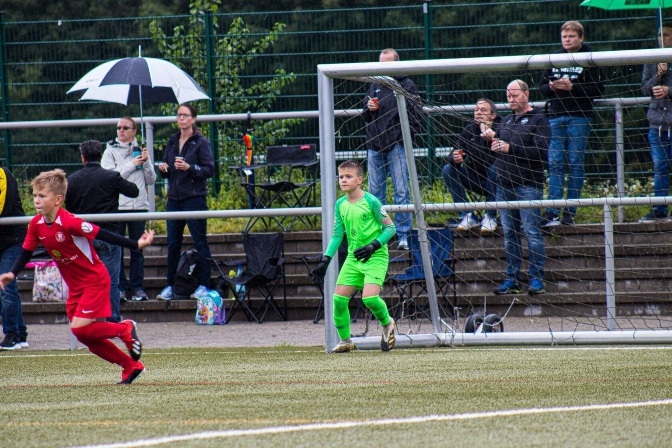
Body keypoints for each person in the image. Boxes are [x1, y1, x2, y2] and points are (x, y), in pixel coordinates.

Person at [0, 169, 154, 384]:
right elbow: (26, 251)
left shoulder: (70, 222)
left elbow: (103, 234)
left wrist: (135, 244)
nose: (36, 200)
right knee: (84, 336)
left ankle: (125, 328)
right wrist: (12, 273)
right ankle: (131, 366)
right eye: (35, 195)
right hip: (76, 287)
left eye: (42, 196)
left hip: (94, 281)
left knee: (79, 328)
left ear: (58, 199)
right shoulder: (36, 224)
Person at [310, 160, 397, 353]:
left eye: (348, 176)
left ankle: (387, 323)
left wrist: (373, 245)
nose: (343, 180)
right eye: (341, 176)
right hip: (353, 258)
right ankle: (345, 340)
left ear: (359, 180)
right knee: (339, 300)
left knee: (370, 299)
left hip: (375, 257)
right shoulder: (340, 204)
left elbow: (390, 228)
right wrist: (325, 260)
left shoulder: (372, 202)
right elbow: (337, 235)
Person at [485, 80, 550, 295]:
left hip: (528, 185)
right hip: (504, 186)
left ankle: (536, 278)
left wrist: (510, 148)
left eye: (515, 95)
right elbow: (499, 150)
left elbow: (541, 152)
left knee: (532, 232)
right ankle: (512, 278)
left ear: (526, 94)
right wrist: (492, 139)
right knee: (510, 235)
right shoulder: (506, 121)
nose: (511, 100)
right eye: (508, 96)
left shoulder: (539, 120)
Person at [539, 20, 605, 226]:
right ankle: (552, 211)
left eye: (571, 36)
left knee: (576, 163)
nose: (567, 40)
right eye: (564, 37)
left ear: (581, 38)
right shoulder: (554, 57)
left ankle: (570, 212)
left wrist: (572, 87)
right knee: (555, 163)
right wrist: (552, 87)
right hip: (555, 116)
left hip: (579, 116)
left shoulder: (590, 58)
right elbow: (541, 88)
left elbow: (598, 89)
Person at [65, 140, 139, 322]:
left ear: (83, 158)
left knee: (84, 282)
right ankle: (112, 320)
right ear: (100, 156)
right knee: (111, 282)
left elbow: (69, 206)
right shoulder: (111, 177)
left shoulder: (72, 180)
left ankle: (87, 319)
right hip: (109, 235)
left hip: (83, 237)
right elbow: (134, 191)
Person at [362, 48, 422, 250]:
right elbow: (364, 115)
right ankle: (380, 235)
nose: (383, 67)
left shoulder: (407, 85)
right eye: (381, 64)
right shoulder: (374, 84)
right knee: (375, 193)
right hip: (374, 146)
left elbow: (417, 114)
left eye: (387, 63)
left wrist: (404, 138)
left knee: (401, 191)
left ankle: (404, 234)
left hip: (397, 145)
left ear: (397, 64)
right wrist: (368, 108)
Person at [156, 103, 215, 300]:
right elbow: (167, 169)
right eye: (179, 115)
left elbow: (209, 170)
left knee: (200, 241)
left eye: (185, 115)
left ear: (193, 119)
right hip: (174, 199)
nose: (181, 118)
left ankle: (204, 285)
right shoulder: (172, 141)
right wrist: (163, 169)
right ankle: (170, 285)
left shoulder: (201, 142)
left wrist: (190, 168)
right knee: (173, 244)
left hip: (194, 198)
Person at [101, 117, 156, 301]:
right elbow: (109, 177)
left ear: (134, 131)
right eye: (119, 127)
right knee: (117, 249)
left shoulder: (140, 149)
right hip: (118, 206)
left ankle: (138, 287)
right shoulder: (110, 151)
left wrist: (146, 162)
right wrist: (132, 164)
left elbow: (151, 180)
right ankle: (120, 287)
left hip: (138, 206)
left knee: (137, 250)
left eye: (125, 127)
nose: (121, 130)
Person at [442, 98, 500, 234]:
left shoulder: (501, 127)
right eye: (476, 110)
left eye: (483, 110)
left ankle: (490, 216)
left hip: (499, 181)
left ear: (493, 115)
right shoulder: (469, 130)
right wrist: (455, 158)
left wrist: (489, 138)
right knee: (448, 169)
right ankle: (467, 215)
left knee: (495, 169)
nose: (478, 113)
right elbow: (451, 155)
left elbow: (497, 159)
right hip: (475, 179)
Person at [640, 22, 672, 221]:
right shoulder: (652, 59)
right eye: (660, 34)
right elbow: (644, 89)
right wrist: (658, 75)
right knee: (660, 165)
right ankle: (659, 208)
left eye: (666, 35)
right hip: (657, 123)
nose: (662, 38)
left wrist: (669, 90)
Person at [0, 166, 28, 350]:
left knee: (6, 287)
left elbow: (3, 206)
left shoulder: (2, 174)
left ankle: (12, 334)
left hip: (12, 239)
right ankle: (20, 333)